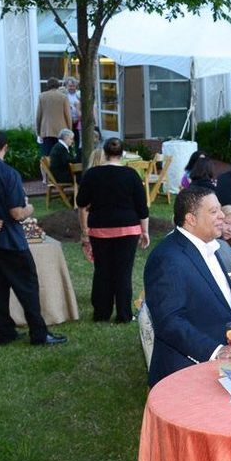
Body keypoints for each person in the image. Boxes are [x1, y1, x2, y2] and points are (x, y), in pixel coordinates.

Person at [0, 130, 66, 346]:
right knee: (27, 288)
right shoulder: (9, 174)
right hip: (11, 241)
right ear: (6, 147)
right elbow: (17, 213)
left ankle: (4, 332)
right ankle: (39, 334)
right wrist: (30, 207)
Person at [143, 186, 231, 386]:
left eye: (220, 209)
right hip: (184, 371)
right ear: (191, 219)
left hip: (214, 366)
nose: (222, 216)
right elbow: (169, 322)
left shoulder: (209, 246)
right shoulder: (167, 258)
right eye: (213, 211)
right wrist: (215, 351)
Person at [76, 137, 150, 323]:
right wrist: (145, 231)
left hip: (100, 229)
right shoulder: (131, 175)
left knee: (102, 270)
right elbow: (142, 207)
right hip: (128, 229)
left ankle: (101, 313)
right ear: (122, 154)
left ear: (105, 152)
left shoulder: (92, 174)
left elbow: (81, 201)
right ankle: (124, 315)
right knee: (123, 271)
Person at [35, 77, 72, 158]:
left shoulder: (42, 96)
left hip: (46, 131)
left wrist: (38, 131)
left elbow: (38, 116)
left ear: (48, 86)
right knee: (60, 156)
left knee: (47, 156)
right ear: (58, 85)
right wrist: (70, 130)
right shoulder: (63, 97)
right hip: (61, 131)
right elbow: (68, 115)